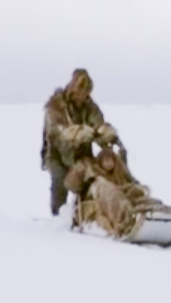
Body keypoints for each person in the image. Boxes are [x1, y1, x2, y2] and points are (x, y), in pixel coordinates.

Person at [41, 68, 120, 215]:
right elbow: (56, 130)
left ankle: (84, 215)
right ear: (73, 89)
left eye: (86, 93)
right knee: (60, 182)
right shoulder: (56, 106)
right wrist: (77, 133)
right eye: (80, 92)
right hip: (57, 155)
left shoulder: (89, 106)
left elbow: (97, 122)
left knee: (88, 181)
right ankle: (57, 219)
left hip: (81, 156)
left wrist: (105, 133)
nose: (82, 97)